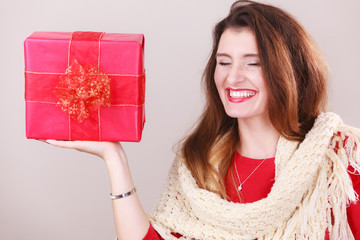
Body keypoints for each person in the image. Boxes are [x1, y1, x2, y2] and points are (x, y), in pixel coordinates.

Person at [46, 1, 360, 239]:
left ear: (289, 73)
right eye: (224, 62)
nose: (233, 77)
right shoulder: (197, 163)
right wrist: (114, 158)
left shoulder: (339, 156)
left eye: (253, 63)